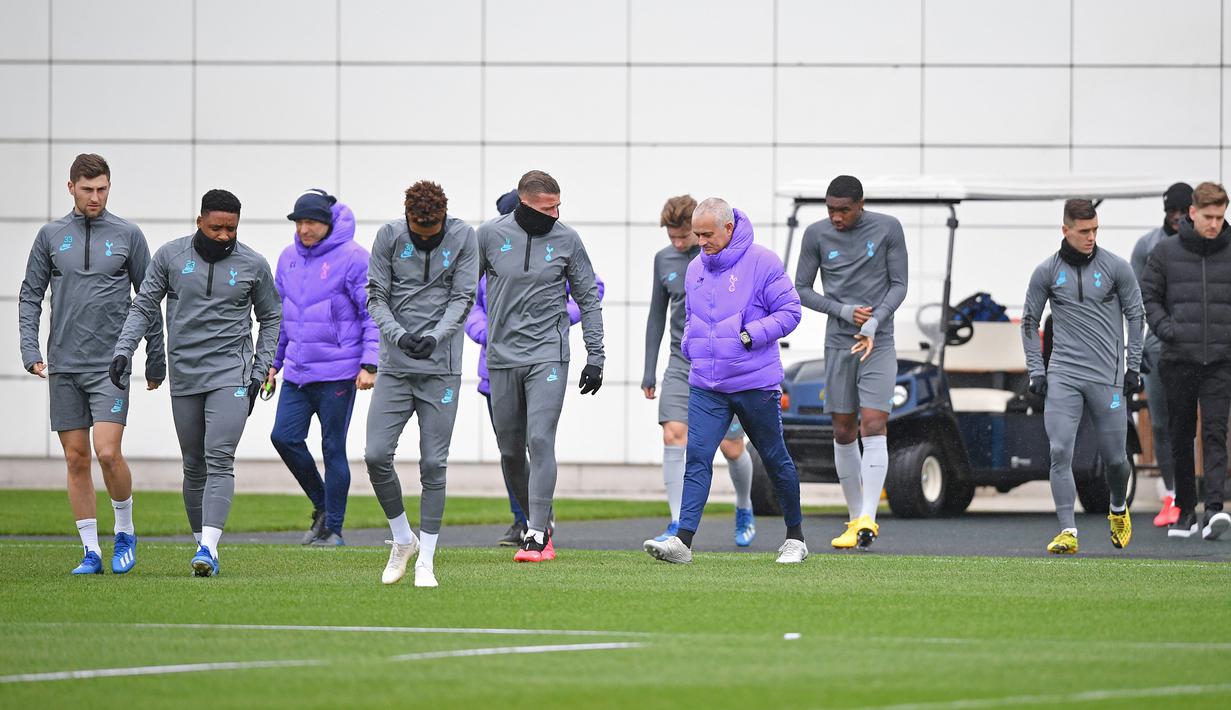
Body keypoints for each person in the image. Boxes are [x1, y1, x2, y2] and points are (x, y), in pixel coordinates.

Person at [112, 189, 281, 576]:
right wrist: (124, 351)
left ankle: (208, 546)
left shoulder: (254, 263)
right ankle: (203, 547)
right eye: (217, 227)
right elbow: (144, 305)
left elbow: (272, 317)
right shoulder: (171, 257)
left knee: (219, 458)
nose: (224, 235)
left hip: (231, 374)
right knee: (194, 465)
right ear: (200, 220)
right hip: (186, 374)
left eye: (232, 229)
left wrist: (259, 371)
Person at [18, 153, 165, 575]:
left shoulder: (128, 235)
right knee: (76, 458)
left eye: (102, 189)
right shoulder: (49, 236)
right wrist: (31, 351)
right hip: (64, 364)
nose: (95, 197)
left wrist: (155, 359)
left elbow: (150, 298)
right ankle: (91, 552)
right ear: (70, 188)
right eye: (87, 189)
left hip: (111, 364)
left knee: (106, 451)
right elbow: (30, 296)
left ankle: (124, 532)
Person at [643, 198, 806, 565]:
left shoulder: (763, 261)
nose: (700, 242)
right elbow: (689, 316)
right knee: (696, 458)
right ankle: (682, 541)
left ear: (728, 229)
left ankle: (795, 538)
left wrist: (751, 334)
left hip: (755, 384)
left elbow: (791, 311)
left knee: (775, 458)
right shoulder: (696, 268)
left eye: (707, 234)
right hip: (706, 384)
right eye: (696, 235)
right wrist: (690, 346)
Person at [477, 170, 605, 563]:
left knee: (540, 439)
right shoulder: (488, 236)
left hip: (548, 354)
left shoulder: (567, 239)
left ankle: (535, 534)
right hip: (501, 357)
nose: (556, 213)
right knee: (510, 450)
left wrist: (595, 356)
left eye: (558, 206)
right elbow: (463, 293)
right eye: (548, 207)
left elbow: (589, 297)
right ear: (525, 203)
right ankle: (540, 520)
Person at [364, 180, 478, 587]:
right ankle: (402, 540)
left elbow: (463, 297)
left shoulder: (465, 236)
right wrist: (398, 335)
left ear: (444, 217)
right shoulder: (389, 237)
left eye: (433, 235)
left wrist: (435, 336)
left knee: (433, 463)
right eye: (419, 233)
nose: (426, 241)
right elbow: (376, 296)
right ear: (408, 217)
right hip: (395, 366)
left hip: (441, 367)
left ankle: (426, 559)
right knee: (376, 454)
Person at [1021, 199, 1144, 554]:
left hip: (1107, 376)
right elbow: (1029, 322)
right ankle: (1068, 531)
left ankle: (1118, 508)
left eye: (1095, 230)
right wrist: (1036, 371)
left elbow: (1136, 317)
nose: (1091, 237)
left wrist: (1132, 366)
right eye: (1084, 231)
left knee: (1116, 458)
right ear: (1065, 231)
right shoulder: (1046, 271)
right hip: (1063, 374)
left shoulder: (1116, 267)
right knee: (1060, 450)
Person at [793, 175, 907, 550]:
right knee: (843, 430)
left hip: (878, 341)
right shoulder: (815, 234)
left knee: (873, 424)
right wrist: (842, 310)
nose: (836, 217)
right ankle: (855, 517)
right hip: (839, 342)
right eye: (830, 210)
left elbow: (899, 284)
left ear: (860, 204)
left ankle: (869, 518)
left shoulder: (889, 228)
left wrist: (876, 321)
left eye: (844, 210)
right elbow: (802, 289)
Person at [642, 194, 756, 547]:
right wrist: (649, 370)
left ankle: (744, 505)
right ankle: (677, 523)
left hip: (720, 360)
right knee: (673, 433)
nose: (679, 243)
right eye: (672, 237)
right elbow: (656, 315)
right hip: (680, 360)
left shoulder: (723, 256)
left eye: (684, 237)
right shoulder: (664, 260)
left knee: (731, 446)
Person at [266, 190, 379, 547]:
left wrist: (369, 364)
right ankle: (323, 506)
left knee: (333, 448)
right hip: (297, 373)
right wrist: (272, 364)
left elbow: (371, 313)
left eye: (311, 222)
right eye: (299, 222)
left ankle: (334, 529)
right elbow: (281, 319)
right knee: (283, 437)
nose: (304, 229)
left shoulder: (355, 258)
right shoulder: (287, 259)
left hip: (338, 373)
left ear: (328, 223)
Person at [1141, 181, 1231, 541]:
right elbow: (1148, 294)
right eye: (1208, 216)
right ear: (1192, 213)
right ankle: (1184, 512)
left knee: (1215, 434)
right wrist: (1166, 328)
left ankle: (1213, 511)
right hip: (1178, 357)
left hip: (1221, 359)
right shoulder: (1165, 252)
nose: (1215, 224)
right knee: (1181, 436)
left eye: (1220, 217)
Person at [1130, 183, 1191, 527]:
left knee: (1203, 425)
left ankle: (1200, 497)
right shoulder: (1147, 247)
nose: (1178, 219)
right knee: (1164, 424)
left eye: (1184, 213)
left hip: (1199, 345)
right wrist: (1134, 349)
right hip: (1157, 344)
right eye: (1173, 213)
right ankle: (1172, 494)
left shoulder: (1207, 245)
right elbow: (1135, 303)